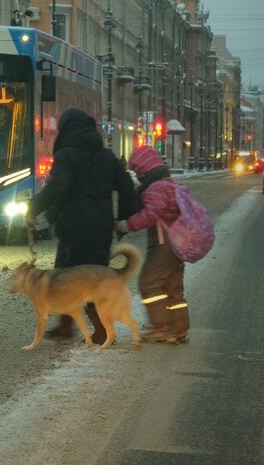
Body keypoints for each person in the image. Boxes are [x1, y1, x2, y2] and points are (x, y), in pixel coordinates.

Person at [25, 108, 137, 343]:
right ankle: (68, 326)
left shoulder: (67, 156)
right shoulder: (107, 156)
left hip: (74, 227)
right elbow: (126, 186)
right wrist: (124, 219)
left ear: (65, 130)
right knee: (92, 276)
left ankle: (101, 331)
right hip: (101, 228)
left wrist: (33, 207)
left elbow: (57, 189)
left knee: (70, 278)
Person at [115, 146, 189, 343]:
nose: (138, 175)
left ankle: (160, 326)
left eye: (138, 170)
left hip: (163, 244)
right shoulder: (169, 184)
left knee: (148, 283)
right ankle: (179, 328)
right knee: (173, 288)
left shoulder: (156, 188)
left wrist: (127, 225)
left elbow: (151, 214)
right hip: (178, 244)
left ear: (144, 169)